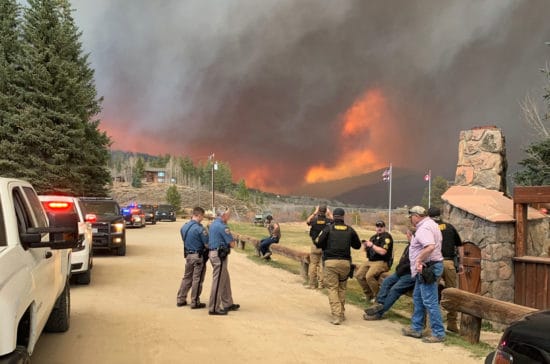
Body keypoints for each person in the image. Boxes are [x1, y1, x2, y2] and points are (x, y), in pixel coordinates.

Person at [402, 205, 445, 343]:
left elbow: (430, 246)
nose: (410, 219)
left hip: (427, 267)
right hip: (429, 266)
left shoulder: (424, 228)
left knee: (430, 301)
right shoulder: (431, 224)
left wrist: (419, 259)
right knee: (418, 298)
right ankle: (416, 328)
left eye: (411, 217)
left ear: (416, 216)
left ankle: (438, 333)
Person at [314, 208, 361, 325]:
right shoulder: (350, 230)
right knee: (342, 288)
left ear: (333, 216)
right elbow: (357, 245)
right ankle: (342, 312)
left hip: (331, 263)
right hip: (345, 264)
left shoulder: (328, 229)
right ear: (343, 216)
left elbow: (318, 243)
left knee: (333, 288)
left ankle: (336, 315)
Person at [363, 231, 415, 320]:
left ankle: (379, 313)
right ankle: (379, 303)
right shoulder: (409, 245)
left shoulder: (417, 247)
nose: (406, 235)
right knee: (386, 281)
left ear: (411, 235)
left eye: (408, 234)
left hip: (409, 275)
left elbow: (411, 264)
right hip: (400, 273)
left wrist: (401, 269)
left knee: (395, 290)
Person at [428, 206, 464, 333]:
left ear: (428, 215)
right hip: (449, 263)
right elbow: (460, 246)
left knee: (431, 293)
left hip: (434, 263)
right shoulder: (450, 227)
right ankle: (452, 324)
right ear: (440, 214)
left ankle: (430, 324)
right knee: (452, 294)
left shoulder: (428, 228)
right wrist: (461, 263)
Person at [207, 208, 240, 315]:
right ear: (223, 215)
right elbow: (232, 244)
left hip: (214, 254)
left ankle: (228, 303)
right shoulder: (223, 226)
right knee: (218, 283)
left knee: (225, 279)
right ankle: (213, 308)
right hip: (219, 256)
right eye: (228, 215)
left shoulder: (213, 224)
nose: (229, 217)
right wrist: (233, 238)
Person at [176, 206, 209, 309]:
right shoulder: (200, 229)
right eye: (202, 216)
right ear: (198, 215)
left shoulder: (184, 227)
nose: (202, 218)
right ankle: (195, 301)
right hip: (198, 256)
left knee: (187, 277)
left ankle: (181, 299)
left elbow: (184, 240)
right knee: (197, 279)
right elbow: (207, 244)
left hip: (188, 255)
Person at [354, 220, 393, 303]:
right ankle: (369, 295)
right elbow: (366, 251)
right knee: (358, 275)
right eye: (377, 226)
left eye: (381, 227)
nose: (379, 228)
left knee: (369, 276)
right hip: (370, 261)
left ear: (384, 227)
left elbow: (383, 252)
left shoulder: (386, 237)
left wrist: (372, 245)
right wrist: (365, 246)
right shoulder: (373, 237)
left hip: (382, 261)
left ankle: (378, 297)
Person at [306, 205, 333, 289]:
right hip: (325, 246)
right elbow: (334, 221)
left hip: (315, 245)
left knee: (313, 264)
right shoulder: (328, 221)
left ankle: (312, 284)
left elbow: (307, 221)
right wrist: (329, 213)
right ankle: (321, 284)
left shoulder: (314, 220)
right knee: (322, 265)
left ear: (318, 211)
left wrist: (315, 212)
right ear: (325, 211)